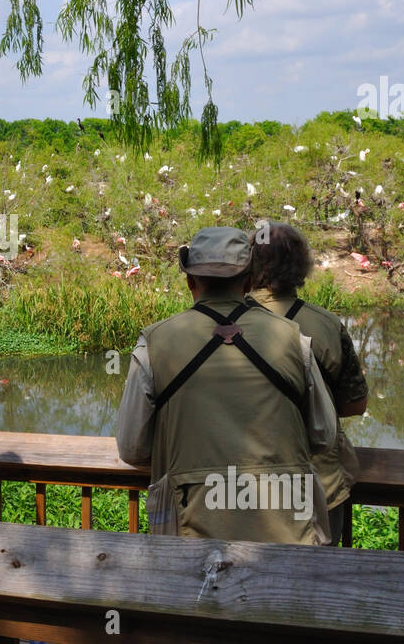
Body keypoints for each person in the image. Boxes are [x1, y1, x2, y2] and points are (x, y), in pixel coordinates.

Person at [115, 226, 335, 546]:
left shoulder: (154, 344)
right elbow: (324, 436)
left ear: (190, 281)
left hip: (190, 534)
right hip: (288, 534)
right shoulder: (293, 338)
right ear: (248, 282)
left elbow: (132, 448)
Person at [250, 222, 367, 545]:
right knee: (318, 587)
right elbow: (356, 403)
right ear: (301, 266)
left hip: (240, 490)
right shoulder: (326, 324)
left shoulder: (224, 324)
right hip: (319, 488)